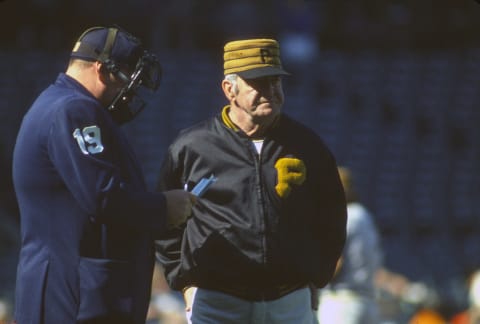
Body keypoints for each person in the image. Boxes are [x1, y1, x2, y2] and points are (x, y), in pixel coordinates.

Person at [155, 38, 347, 324]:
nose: (270, 91)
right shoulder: (192, 146)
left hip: (289, 301)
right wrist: (183, 281)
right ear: (228, 89)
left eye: (275, 82)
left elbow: (332, 215)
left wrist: (317, 275)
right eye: (258, 83)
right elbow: (165, 219)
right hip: (218, 302)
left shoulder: (307, 144)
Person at [12, 26, 195, 324]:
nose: (128, 94)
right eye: (126, 80)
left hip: (60, 290)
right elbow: (103, 196)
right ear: (101, 69)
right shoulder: (74, 110)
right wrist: (164, 207)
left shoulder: (53, 103)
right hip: (70, 297)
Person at [316, 166, 383, 324]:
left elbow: (335, 265)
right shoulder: (364, 215)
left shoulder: (343, 217)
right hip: (367, 302)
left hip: (341, 305)